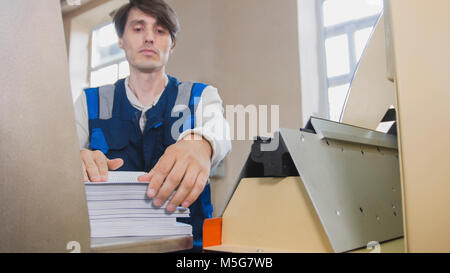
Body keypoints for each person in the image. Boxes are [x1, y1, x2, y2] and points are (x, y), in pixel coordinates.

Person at [73, 0, 231, 249]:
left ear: (172, 44)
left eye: (160, 31)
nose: (149, 38)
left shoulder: (201, 95)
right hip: (111, 246)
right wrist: (75, 159)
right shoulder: (88, 101)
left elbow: (219, 130)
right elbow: (59, 160)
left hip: (190, 248)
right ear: (121, 41)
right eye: (138, 29)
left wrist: (202, 143)